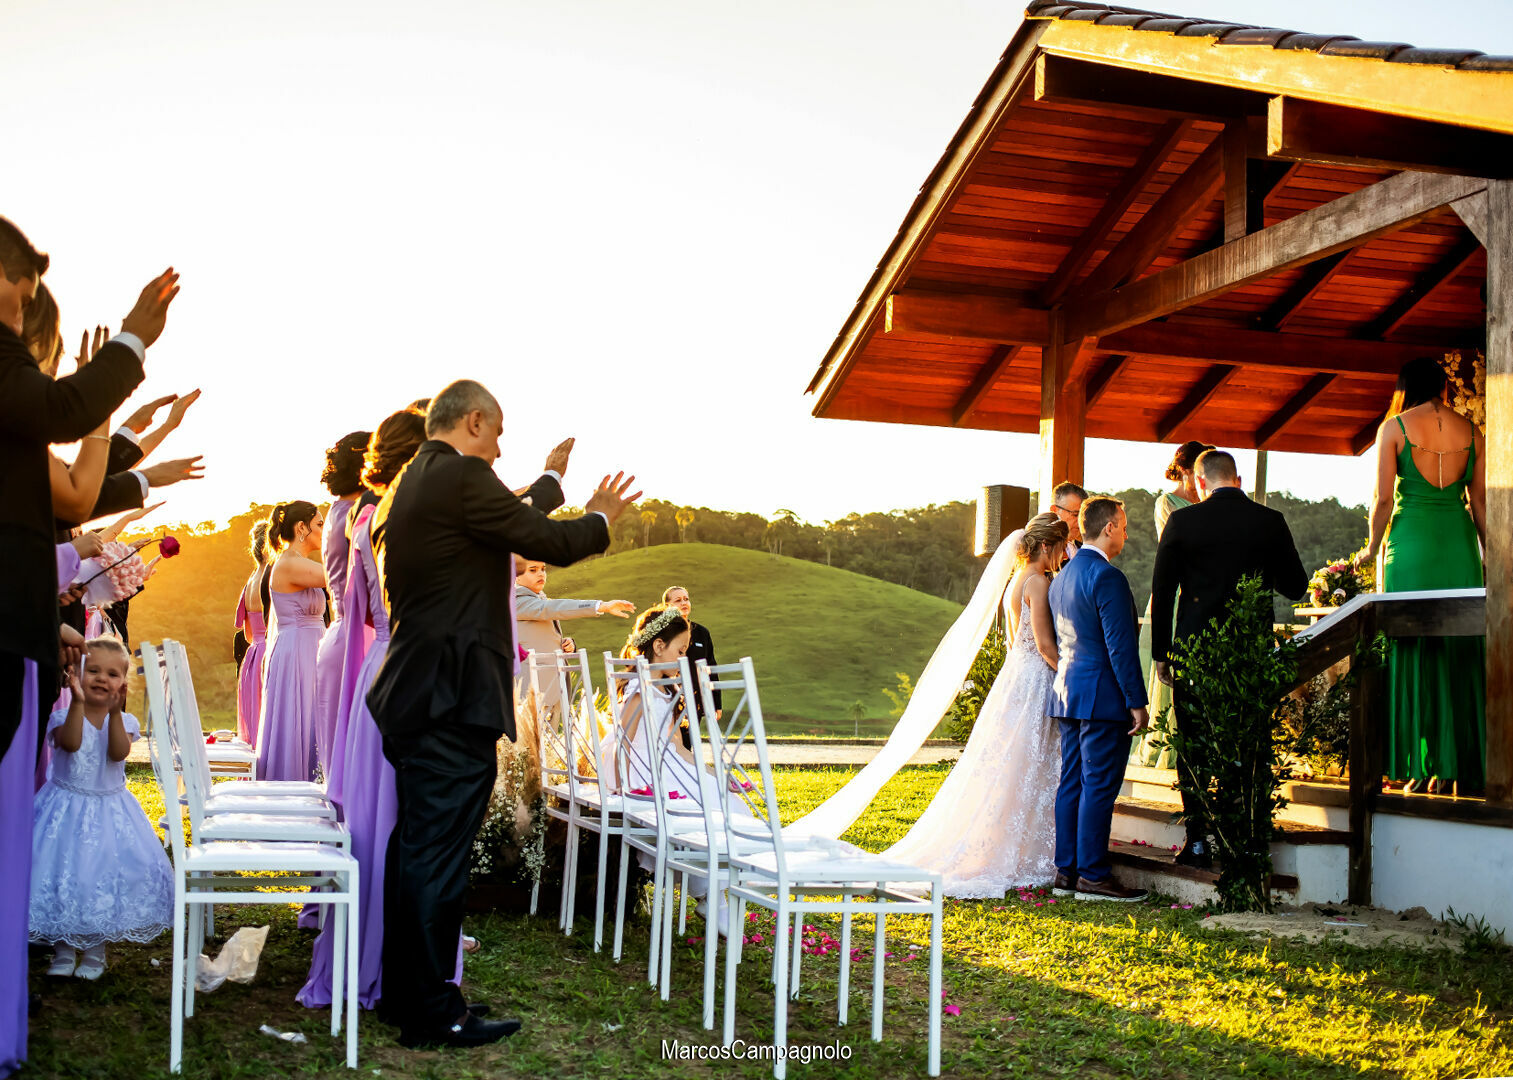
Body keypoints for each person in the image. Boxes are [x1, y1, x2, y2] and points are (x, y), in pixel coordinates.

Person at [366, 379, 636, 1048]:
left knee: (417, 852)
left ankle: (407, 995)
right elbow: (545, 538)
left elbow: (509, 511)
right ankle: (433, 1013)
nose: (501, 445)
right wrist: (600, 515)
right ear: (476, 421)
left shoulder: (415, 482)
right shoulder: (458, 476)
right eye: (499, 431)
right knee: (438, 857)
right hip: (450, 699)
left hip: (415, 693)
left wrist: (551, 477)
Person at [0, 215, 177, 1079]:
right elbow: (66, 436)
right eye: (25, 284)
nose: (30, 302)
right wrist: (136, 341)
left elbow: (62, 497)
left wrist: (60, 628)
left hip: (24, 627)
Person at [299, 409, 433, 1011]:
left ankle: (373, 944)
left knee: (376, 820)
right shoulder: (405, 518)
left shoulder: (359, 518)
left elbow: (357, 612)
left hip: (373, 662)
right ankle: (409, 956)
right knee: (407, 822)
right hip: (407, 669)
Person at [884, 514, 1069, 896]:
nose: (1062, 556)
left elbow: (1015, 642)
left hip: (1016, 675)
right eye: (1061, 547)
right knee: (1029, 761)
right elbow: (1045, 645)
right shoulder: (1037, 581)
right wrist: (1070, 671)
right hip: (1035, 678)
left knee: (1011, 762)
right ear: (1046, 547)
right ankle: (1024, 852)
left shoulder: (1014, 583)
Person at [1151, 450, 1307, 867]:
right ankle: (1249, 840)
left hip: (1194, 651)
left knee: (1195, 745)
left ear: (1200, 482)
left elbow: (1163, 590)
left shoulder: (1182, 521)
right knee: (1250, 744)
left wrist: (1161, 654)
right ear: (1236, 479)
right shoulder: (1269, 522)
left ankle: (1199, 841)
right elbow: (1296, 586)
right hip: (1248, 651)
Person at [1357, 357, 1486, 796]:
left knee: (1410, 650)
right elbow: (1482, 506)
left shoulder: (1394, 427)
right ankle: (1456, 766)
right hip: (1458, 545)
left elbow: (1382, 501)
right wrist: (1494, 558)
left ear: (1404, 386)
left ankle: (1416, 766)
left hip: (1410, 546)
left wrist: (1371, 548)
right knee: (1458, 653)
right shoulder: (1472, 431)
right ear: (1443, 386)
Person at [28, 637, 173, 979]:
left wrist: (114, 714)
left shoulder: (125, 721)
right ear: (74, 674)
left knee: (100, 879)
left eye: (111, 674)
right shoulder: (62, 716)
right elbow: (72, 743)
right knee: (65, 878)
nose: (101, 679)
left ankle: (95, 951)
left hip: (109, 813)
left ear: (122, 684)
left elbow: (118, 753)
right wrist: (78, 702)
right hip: (64, 811)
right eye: (92, 670)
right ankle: (62, 950)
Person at [1047, 496, 1150, 902]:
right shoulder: (1108, 578)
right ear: (1108, 528)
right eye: (1123, 526)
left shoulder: (1063, 577)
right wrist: (1136, 701)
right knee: (1099, 786)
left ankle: (1066, 872)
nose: (1125, 534)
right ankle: (1093, 875)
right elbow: (1120, 646)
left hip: (1068, 693)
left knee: (1071, 782)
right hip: (1103, 696)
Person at [1131, 441, 1212, 769]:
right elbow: (1176, 548)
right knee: (1173, 667)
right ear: (1184, 470)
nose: (1198, 478)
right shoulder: (1167, 503)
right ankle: (1169, 743)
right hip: (1178, 591)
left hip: (1206, 592)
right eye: (1194, 471)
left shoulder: (1210, 500)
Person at [255, 501, 328, 784]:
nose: (324, 531)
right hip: (298, 652)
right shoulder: (290, 563)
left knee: (311, 722)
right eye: (320, 525)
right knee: (300, 721)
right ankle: (295, 790)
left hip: (309, 649)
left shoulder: (299, 562)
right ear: (301, 527)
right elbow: (336, 577)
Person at [314, 431, 372, 778]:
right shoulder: (361, 514)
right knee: (359, 771)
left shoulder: (337, 510)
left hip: (339, 638)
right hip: (359, 644)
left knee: (342, 768)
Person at [514, 560, 634, 705]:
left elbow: (542, 634)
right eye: (533, 570)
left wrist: (566, 644)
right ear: (516, 576)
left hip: (553, 689)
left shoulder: (539, 600)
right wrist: (601, 606)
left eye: (543, 569)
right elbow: (552, 608)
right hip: (530, 692)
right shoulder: (516, 601)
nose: (541, 573)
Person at [235, 522, 272, 746]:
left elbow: (248, 633)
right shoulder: (270, 577)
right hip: (268, 652)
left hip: (253, 654)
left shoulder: (250, 580)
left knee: (256, 720)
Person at [662, 586, 720, 723]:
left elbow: (711, 667)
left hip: (695, 700)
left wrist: (716, 703)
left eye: (686, 599)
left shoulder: (702, 632)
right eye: (678, 600)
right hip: (667, 698)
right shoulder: (663, 633)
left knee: (689, 743)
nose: (683, 603)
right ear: (667, 606)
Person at [1050, 481, 1086, 558]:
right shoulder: (1041, 552)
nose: (1080, 521)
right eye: (1075, 515)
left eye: (1083, 516)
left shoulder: (1085, 553)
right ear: (1054, 511)